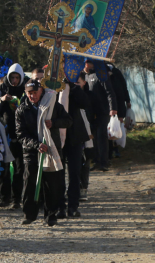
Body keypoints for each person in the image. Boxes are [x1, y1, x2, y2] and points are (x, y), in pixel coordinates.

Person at [16, 79, 72, 226]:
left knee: (52, 185)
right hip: (32, 153)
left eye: (35, 92)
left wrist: (53, 123)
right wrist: (36, 145)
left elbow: (67, 121)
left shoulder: (52, 106)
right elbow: (21, 134)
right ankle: (29, 214)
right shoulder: (22, 110)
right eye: (29, 93)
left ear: (41, 91)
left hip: (50, 150)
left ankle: (51, 214)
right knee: (30, 184)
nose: (32, 96)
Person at [0, 63, 29, 208]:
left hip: (21, 134)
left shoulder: (26, 87)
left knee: (20, 168)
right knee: (4, 168)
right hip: (5, 133)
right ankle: (4, 197)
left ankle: (16, 199)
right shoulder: (2, 87)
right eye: (12, 77)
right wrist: (2, 100)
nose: (14, 80)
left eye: (17, 77)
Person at [58, 73, 91, 218]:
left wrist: (72, 86)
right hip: (57, 135)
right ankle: (59, 206)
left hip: (75, 135)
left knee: (74, 172)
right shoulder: (53, 85)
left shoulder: (75, 87)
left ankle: (73, 206)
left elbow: (85, 103)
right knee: (58, 173)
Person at [84, 60, 117, 171]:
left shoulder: (101, 75)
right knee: (94, 138)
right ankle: (96, 161)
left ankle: (104, 162)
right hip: (91, 112)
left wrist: (113, 109)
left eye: (86, 63)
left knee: (101, 137)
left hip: (103, 111)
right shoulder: (85, 77)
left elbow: (110, 92)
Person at [107, 64, 131, 158]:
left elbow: (124, 87)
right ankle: (110, 150)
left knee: (118, 126)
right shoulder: (101, 74)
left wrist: (127, 100)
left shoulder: (116, 73)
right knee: (109, 127)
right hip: (108, 105)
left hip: (119, 103)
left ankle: (116, 148)